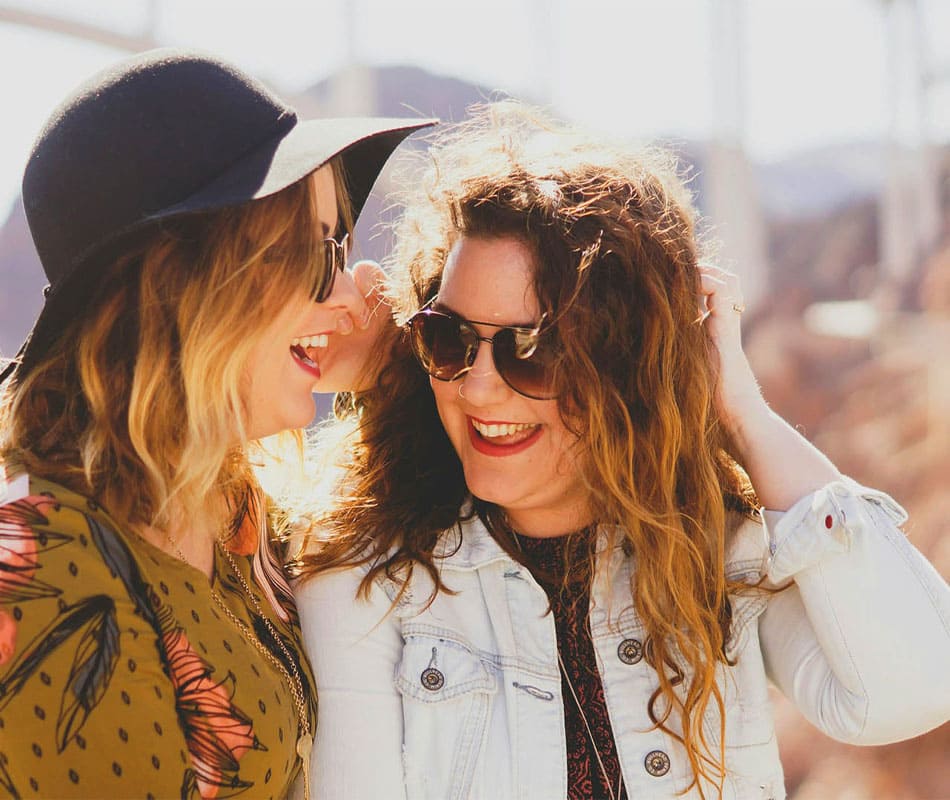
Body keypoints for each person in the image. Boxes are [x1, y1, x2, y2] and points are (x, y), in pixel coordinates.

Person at [294, 103, 950, 800]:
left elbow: (912, 687)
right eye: (449, 339)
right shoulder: (367, 577)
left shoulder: (714, 549)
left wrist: (740, 410)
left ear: (625, 364)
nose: (479, 388)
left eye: (534, 348)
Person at [0, 48, 431, 799]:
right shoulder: (42, 565)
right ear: (184, 284)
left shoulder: (232, 502)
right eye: (318, 253)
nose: (349, 295)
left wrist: (402, 374)